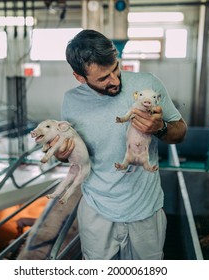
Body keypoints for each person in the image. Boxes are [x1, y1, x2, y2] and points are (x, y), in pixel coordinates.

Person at [52, 29, 187, 260]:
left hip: (145, 208)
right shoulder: (72, 101)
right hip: (97, 210)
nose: (114, 81)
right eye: (103, 78)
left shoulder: (148, 85)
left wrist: (160, 128)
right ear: (79, 77)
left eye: (115, 68)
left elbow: (180, 132)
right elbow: (69, 152)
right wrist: (61, 154)